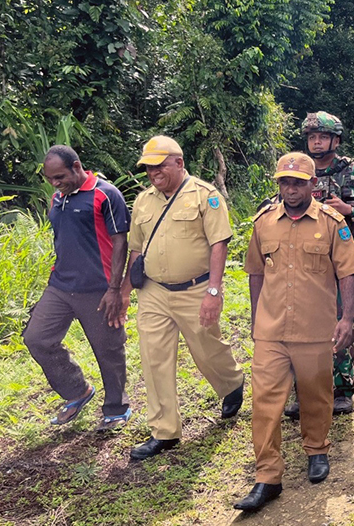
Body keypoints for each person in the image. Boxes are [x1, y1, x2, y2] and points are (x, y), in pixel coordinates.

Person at [234, 152, 354, 512]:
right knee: (264, 402)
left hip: (315, 327)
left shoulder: (332, 222)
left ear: (313, 184)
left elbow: (348, 271)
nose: (290, 189)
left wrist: (347, 318)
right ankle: (267, 476)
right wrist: (258, 317)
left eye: (298, 182)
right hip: (272, 329)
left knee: (316, 395)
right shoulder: (264, 222)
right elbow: (256, 271)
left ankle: (317, 449)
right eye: (284, 182)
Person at [121, 136, 245, 461]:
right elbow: (136, 249)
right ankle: (165, 432)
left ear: (178, 162)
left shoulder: (205, 196)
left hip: (195, 288)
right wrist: (123, 292)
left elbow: (219, 243)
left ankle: (231, 382)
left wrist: (213, 292)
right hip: (153, 292)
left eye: (159, 165)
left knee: (206, 347)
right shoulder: (143, 202)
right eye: (148, 167)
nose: (153, 172)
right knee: (153, 359)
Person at [24, 145, 131, 430]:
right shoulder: (57, 198)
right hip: (60, 286)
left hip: (99, 288)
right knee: (36, 338)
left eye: (59, 176)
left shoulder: (105, 194)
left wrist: (115, 289)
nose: (55, 183)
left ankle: (116, 408)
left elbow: (120, 241)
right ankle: (77, 391)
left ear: (76, 166)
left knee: (108, 348)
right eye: (50, 179)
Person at [299, 111, 354, 415]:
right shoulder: (300, 170)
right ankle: (305, 388)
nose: (316, 142)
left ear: (335, 139)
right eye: (311, 137)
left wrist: (350, 208)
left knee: (341, 321)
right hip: (304, 258)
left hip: (343, 257)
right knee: (302, 324)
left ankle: (342, 388)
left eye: (322, 136)